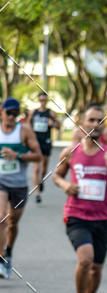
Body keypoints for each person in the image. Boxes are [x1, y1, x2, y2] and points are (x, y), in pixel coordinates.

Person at [53, 103, 107, 293]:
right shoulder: (71, 152)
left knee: (96, 268)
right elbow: (56, 175)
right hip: (76, 215)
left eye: (99, 121)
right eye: (91, 120)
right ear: (82, 123)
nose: (96, 124)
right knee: (85, 259)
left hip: (102, 219)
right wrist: (65, 185)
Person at [0, 97, 41, 278]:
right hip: (1, 182)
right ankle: (1, 258)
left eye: (15, 113)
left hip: (19, 185)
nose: (11, 117)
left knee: (12, 223)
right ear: (1, 112)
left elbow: (38, 155)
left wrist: (17, 155)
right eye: (8, 113)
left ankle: (8, 250)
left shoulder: (24, 131)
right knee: (1, 218)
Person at [29, 92, 59, 203]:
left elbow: (59, 125)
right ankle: (37, 193)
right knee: (36, 169)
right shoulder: (33, 112)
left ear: (46, 100)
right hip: (35, 143)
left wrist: (53, 124)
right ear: (38, 100)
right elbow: (27, 125)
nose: (42, 101)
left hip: (46, 142)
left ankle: (41, 180)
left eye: (44, 100)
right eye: (41, 99)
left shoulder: (50, 113)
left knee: (44, 167)